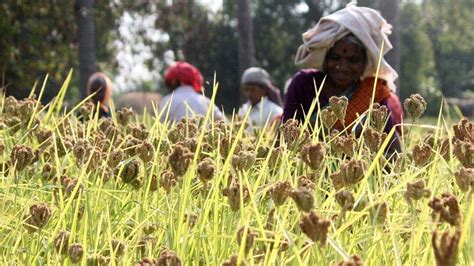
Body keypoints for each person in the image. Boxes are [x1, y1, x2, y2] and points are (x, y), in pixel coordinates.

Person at [283, 3, 403, 152]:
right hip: (308, 167)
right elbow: (284, 136)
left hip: (355, 170)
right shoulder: (304, 83)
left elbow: (391, 146)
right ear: (325, 59)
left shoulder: (372, 92)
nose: (342, 66)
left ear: (364, 63)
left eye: (353, 60)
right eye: (335, 57)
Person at [158, 61, 224, 124]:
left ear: (173, 81)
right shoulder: (205, 101)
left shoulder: (167, 101)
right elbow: (223, 122)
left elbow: (160, 127)